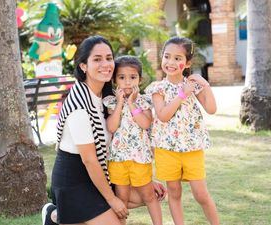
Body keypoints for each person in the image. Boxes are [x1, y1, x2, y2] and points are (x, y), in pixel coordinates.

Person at [41, 35, 166, 225]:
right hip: (75, 181)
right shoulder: (79, 106)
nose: (105, 64)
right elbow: (90, 160)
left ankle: (58, 217)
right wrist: (112, 200)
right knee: (117, 209)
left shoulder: (108, 96)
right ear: (83, 66)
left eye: (109, 58)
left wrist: (145, 181)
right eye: (97, 59)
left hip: (101, 175)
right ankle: (59, 215)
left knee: (149, 194)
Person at [145, 36, 219, 225]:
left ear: (187, 63)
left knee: (201, 194)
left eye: (178, 58)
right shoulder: (158, 88)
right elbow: (162, 115)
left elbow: (211, 108)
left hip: (192, 148)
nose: (171, 62)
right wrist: (181, 95)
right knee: (175, 192)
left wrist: (204, 84)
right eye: (167, 56)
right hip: (167, 150)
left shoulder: (193, 85)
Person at [103, 56, 163, 225]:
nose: (127, 82)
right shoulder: (112, 102)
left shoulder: (144, 101)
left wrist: (131, 103)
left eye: (132, 77)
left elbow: (145, 123)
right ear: (115, 80)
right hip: (118, 159)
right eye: (122, 77)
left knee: (149, 196)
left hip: (140, 158)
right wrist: (121, 103)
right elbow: (112, 127)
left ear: (140, 79)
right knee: (122, 198)